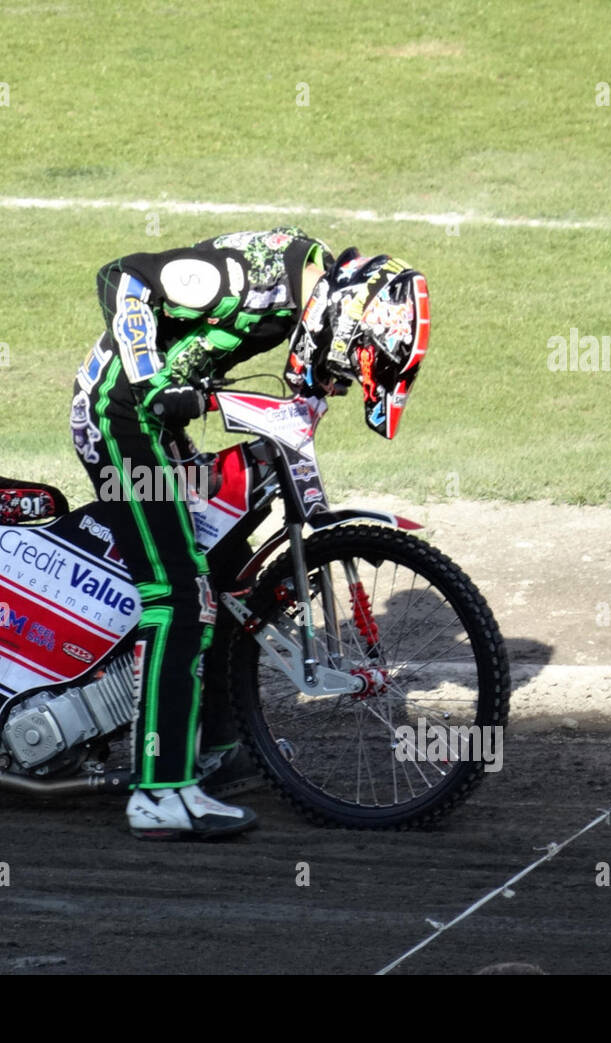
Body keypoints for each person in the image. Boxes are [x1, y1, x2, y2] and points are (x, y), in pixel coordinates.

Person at [70, 227, 428, 840]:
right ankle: (158, 791)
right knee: (179, 598)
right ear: (343, 320)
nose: (339, 376)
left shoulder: (309, 296)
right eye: (347, 361)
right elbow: (122, 274)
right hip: (120, 417)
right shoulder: (245, 278)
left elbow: (299, 386)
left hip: (161, 426)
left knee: (226, 569)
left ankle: (213, 747)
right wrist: (152, 374)